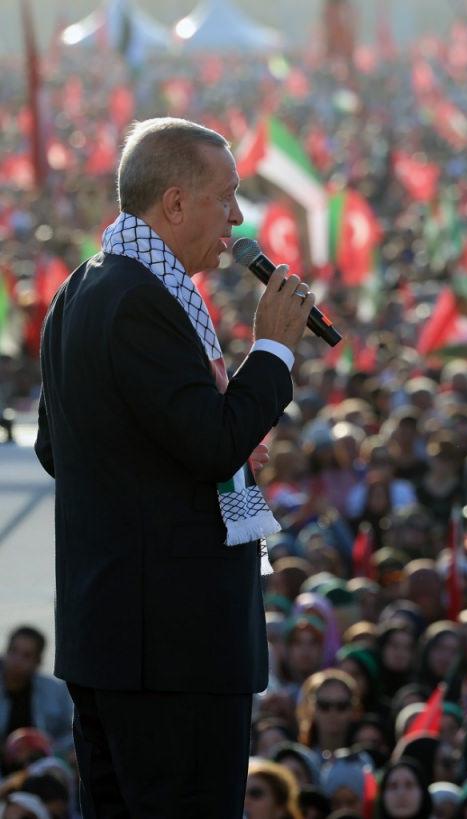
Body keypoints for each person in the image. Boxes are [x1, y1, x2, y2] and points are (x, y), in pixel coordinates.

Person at [34, 117, 315, 816]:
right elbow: (210, 441)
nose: (239, 218)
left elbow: (56, 446)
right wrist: (273, 353)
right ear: (176, 203)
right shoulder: (137, 301)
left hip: (121, 642)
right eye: (228, 197)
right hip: (169, 650)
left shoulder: (85, 288)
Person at [0, 627, 72, 756]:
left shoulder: (56, 691)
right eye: (13, 651)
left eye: (26, 655)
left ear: (38, 661)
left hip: (44, 765)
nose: (17, 660)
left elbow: (71, 734)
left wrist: (48, 749)